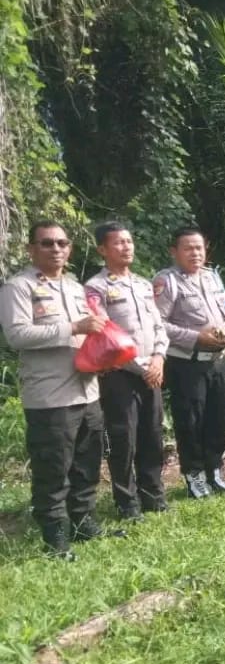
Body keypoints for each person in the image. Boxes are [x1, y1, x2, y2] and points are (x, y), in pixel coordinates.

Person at [0, 221, 109, 558]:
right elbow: (17, 335)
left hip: (87, 390)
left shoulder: (75, 288)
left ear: (70, 248)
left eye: (62, 243)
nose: (56, 249)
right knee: (53, 469)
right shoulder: (18, 288)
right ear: (31, 249)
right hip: (51, 396)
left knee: (86, 464)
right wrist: (73, 326)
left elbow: (89, 333)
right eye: (47, 243)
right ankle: (55, 537)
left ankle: (83, 523)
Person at [84, 222, 169, 522]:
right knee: (123, 440)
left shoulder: (143, 284)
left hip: (152, 371)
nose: (126, 247)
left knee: (152, 435)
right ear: (102, 249)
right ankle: (127, 502)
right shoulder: (95, 287)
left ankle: (153, 496)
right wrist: (144, 367)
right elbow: (108, 335)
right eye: (118, 242)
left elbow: (159, 326)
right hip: (120, 375)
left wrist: (159, 358)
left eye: (129, 241)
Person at [153, 225, 225, 499]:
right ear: (174, 251)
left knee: (219, 418)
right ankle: (194, 475)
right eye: (188, 248)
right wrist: (195, 337)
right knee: (190, 421)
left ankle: (214, 470)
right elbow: (158, 323)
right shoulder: (167, 281)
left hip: (217, 361)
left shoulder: (212, 278)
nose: (195, 253)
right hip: (187, 363)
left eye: (199, 248)